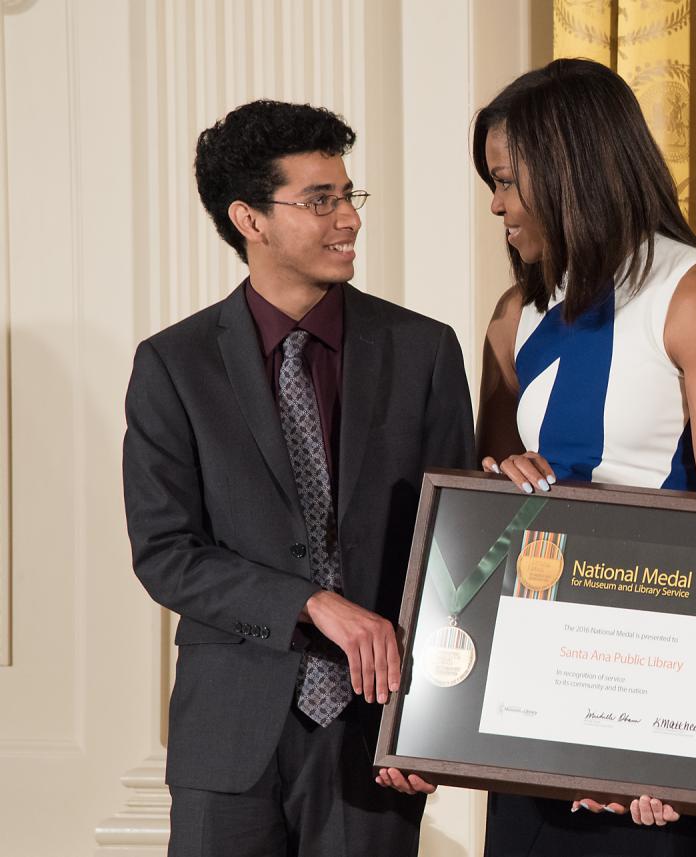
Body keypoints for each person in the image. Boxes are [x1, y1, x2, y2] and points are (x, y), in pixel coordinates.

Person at [382, 57, 696, 855]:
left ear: (570, 169)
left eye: (507, 181)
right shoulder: (514, 313)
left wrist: (670, 740)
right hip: (533, 702)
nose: (495, 204)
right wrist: (501, 476)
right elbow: (482, 513)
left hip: (653, 710)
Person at [122, 100, 474, 857]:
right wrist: (312, 603)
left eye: (349, 196)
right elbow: (165, 551)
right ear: (249, 219)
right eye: (321, 201)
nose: (348, 218)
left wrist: (435, 722)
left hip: (373, 731)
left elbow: (456, 555)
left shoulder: (425, 351)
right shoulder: (174, 365)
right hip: (228, 736)